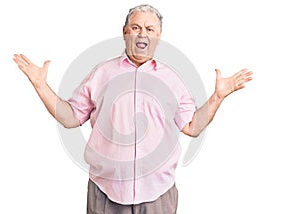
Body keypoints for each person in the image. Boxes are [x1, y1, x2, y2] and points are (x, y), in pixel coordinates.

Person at [13, 4, 253, 214]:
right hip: (105, 192)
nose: (143, 34)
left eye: (150, 29)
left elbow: (192, 127)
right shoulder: (102, 73)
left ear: (159, 36)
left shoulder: (173, 79)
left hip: (158, 194)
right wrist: (40, 85)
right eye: (136, 27)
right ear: (125, 32)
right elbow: (71, 117)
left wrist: (218, 96)